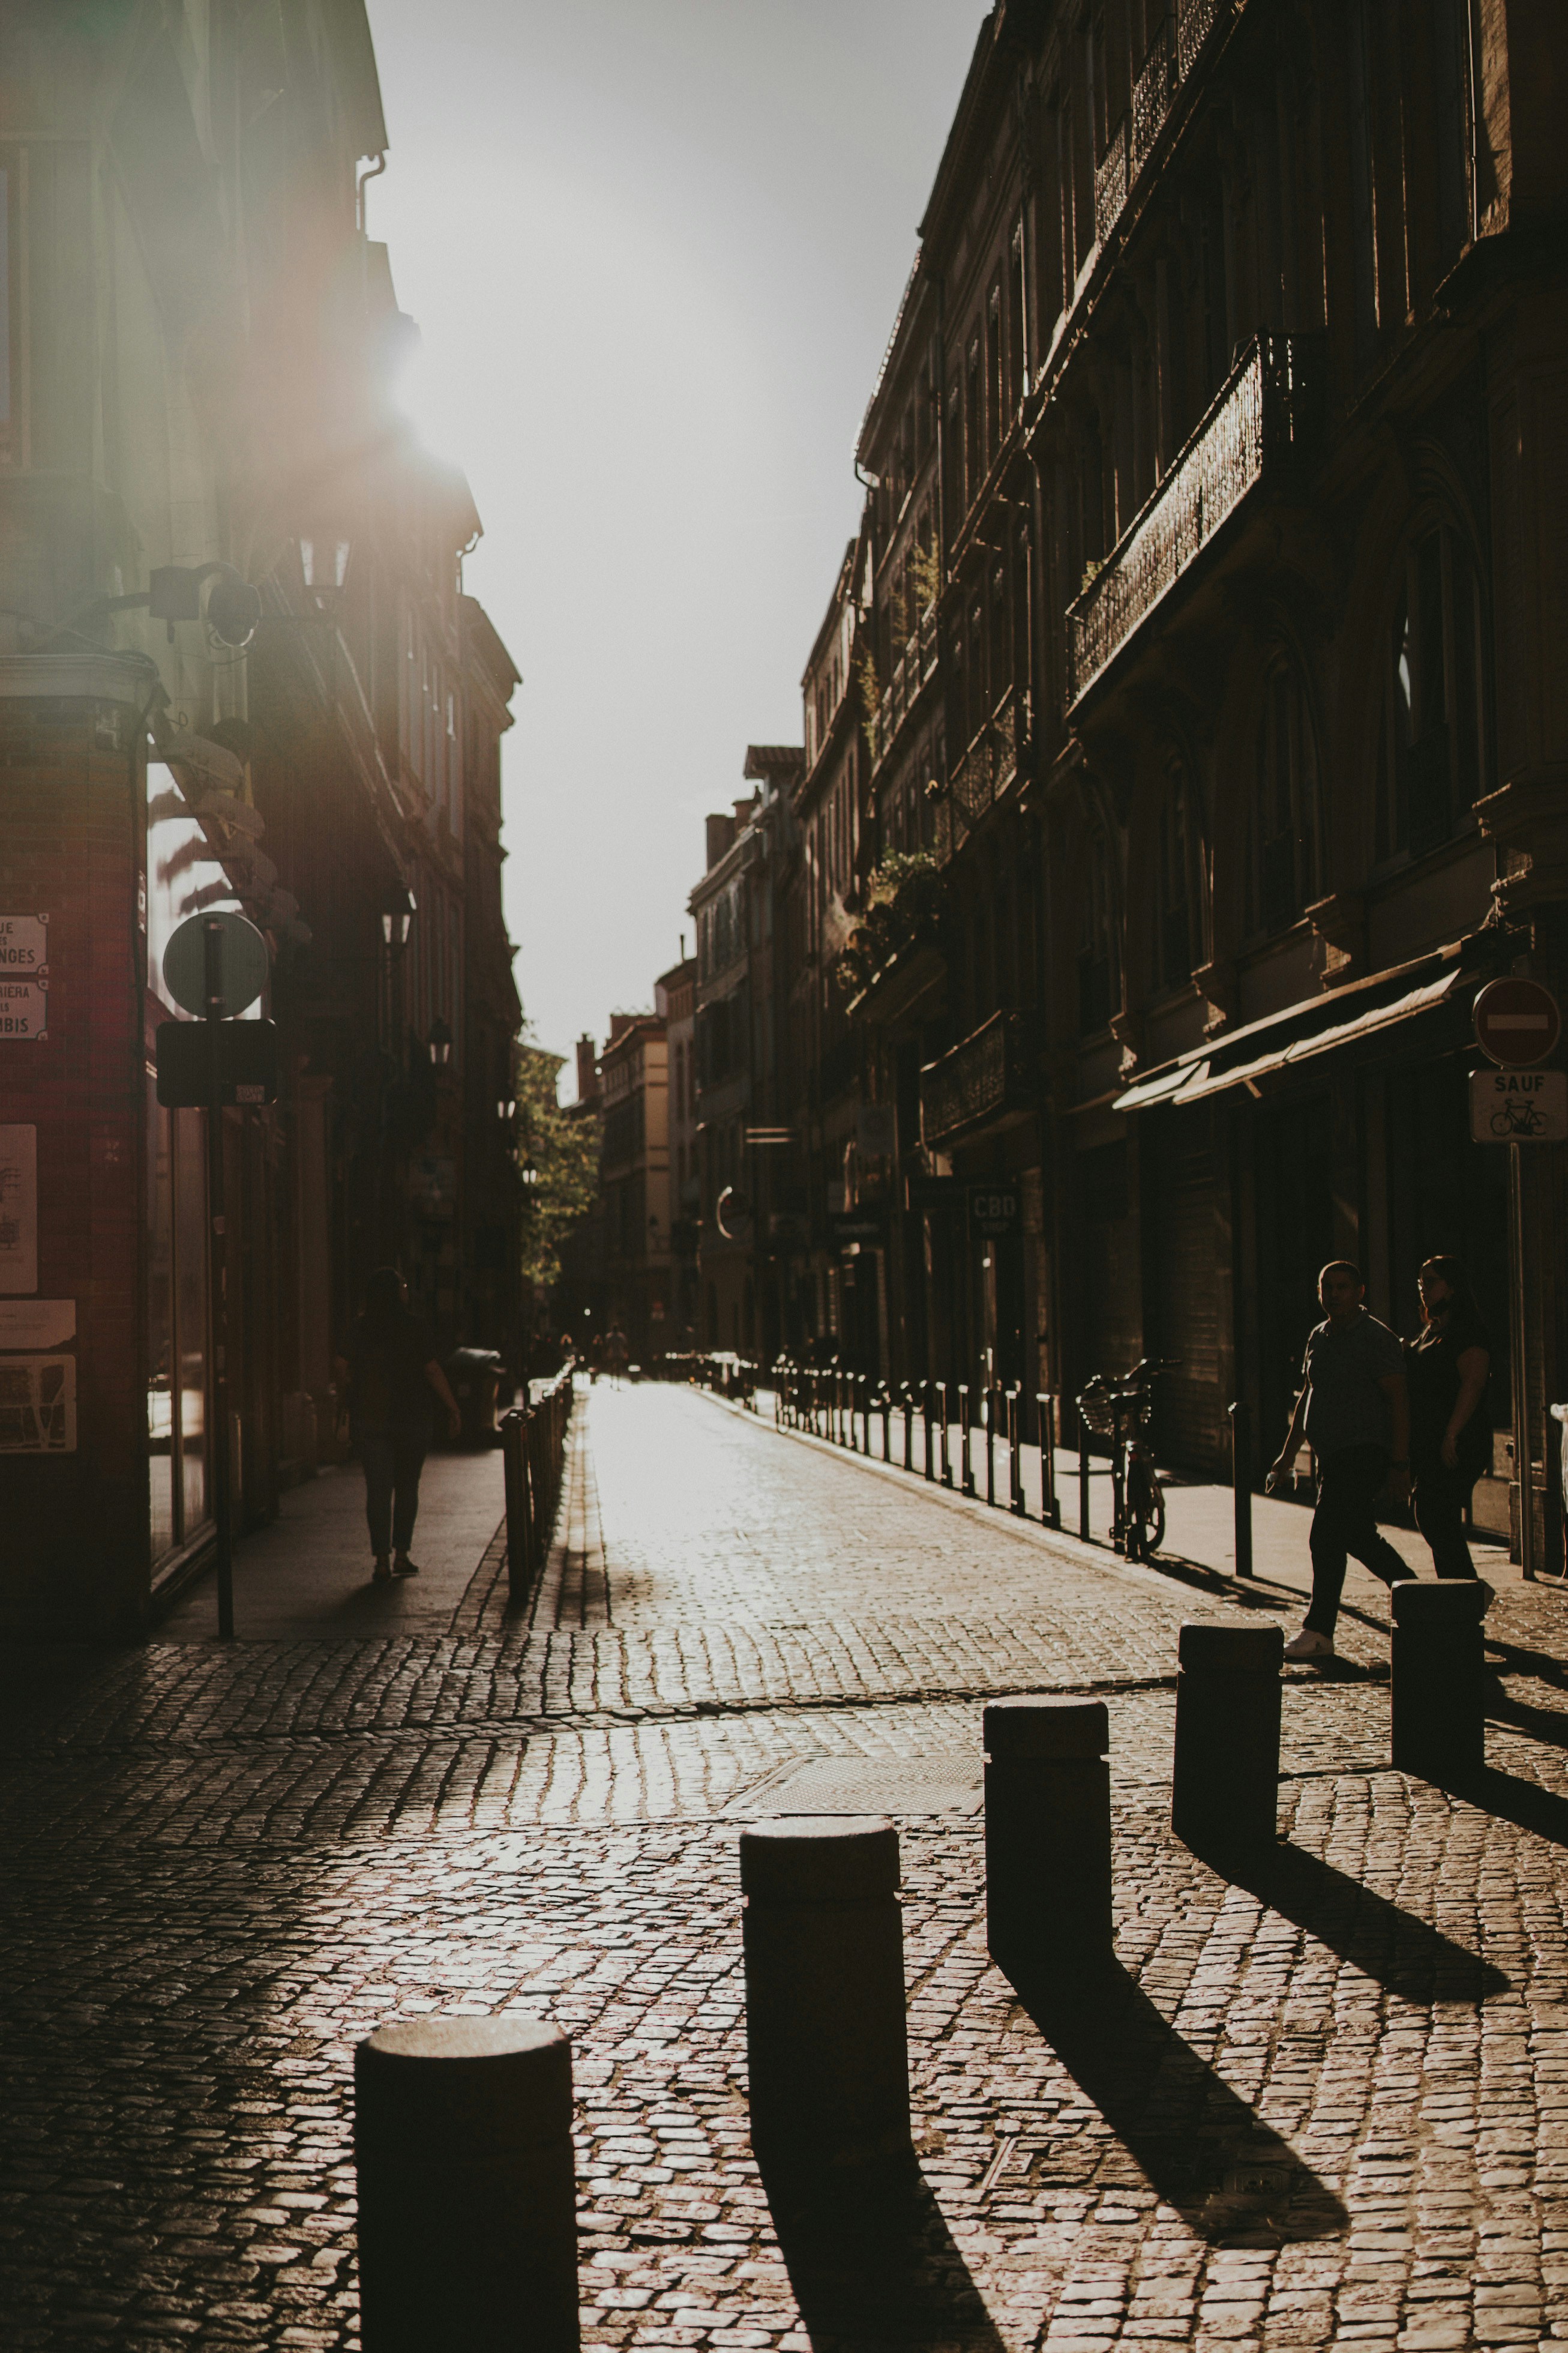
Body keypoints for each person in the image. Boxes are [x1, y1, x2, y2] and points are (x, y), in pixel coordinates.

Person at [1268, 1259, 1412, 1662]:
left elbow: (1399, 1401)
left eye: (1342, 1287)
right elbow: (1307, 1397)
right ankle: (1420, 1600)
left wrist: (1399, 1465)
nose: (1333, 1294)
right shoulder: (1318, 1336)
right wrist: (1286, 1455)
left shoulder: (1375, 1337)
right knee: (1355, 1536)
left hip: (1364, 1451)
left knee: (1325, 1536)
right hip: (1331, 1455)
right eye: (1326, 1287)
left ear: (1360, 1292)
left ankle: (1318, 1631)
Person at [340, 1268, 461, 1585]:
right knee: (407, 1488)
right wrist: (452, 1407)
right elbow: (432, 1369)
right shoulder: (414, 1326)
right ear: (396, 1292)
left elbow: (341, 1363)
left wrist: (356, 1386)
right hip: (412, 1418)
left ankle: (380, 1560)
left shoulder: (360, 1327)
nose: (407, 1289)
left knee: (378, 1492)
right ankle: (402, 1555)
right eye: (403, 1285)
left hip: (372, 1417)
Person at [1406, 1255, 1491, 1582]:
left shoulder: (1467, 1330)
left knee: (1433, 1513)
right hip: (1428, 1438)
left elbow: (1473, 1383)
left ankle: (1469, 1592)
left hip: (1458, 1439)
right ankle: (1456, 1595)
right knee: (1431, 1512)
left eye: (1430, 1282)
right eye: (1420, 1282)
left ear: (1452, 1288)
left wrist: (1452, 1434)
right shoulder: (1432, 1329)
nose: (1423, 1288)